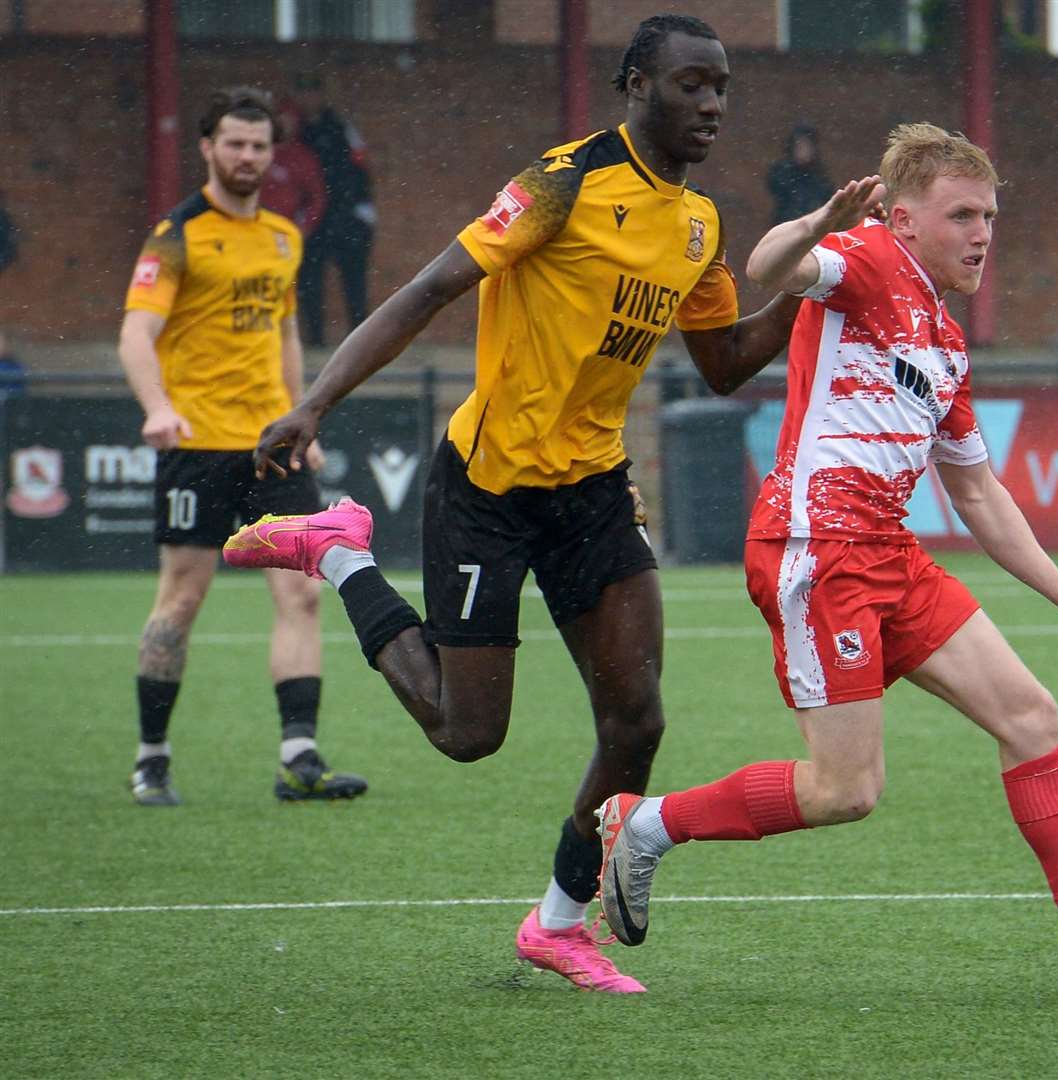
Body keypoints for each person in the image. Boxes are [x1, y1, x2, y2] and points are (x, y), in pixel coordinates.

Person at [222, 15, 802, 994]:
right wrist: (314, 402)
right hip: (487, 487)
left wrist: (821, 282)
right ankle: (340, 552)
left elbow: (723, 361)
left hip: (596, 493)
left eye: (722, 88)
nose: (711, 106)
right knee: (465, 733)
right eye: (692, 85)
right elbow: (427, 290)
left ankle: (558, 924)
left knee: (637, 718)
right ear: (634, 84)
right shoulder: (559, 183)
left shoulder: (700, 223)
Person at [593, 124, 1058, 1004]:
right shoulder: (866, 259)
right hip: (817, 550)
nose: (981, 233)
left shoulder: (946, 341)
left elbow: (976, 493)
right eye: (961, 213)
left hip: (890, 553)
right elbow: (772, 266)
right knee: (845, 792)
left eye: (990, 215)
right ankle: (647, 824)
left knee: (1031, 716)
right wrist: (820, 220)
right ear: (902, 218)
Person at [117, 86, 366, 807]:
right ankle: (152, 759)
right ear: (208, 148)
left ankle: (300, 761)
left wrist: (302, 419)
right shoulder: (177, 234)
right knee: (184, 598)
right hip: (196, 444)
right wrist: (157, 408)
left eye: (259, 146)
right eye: (235, 143)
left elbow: (285, 333)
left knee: (302, 596)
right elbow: (136, 334)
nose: (248, 156)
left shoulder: (285, 237)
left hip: (271, 447)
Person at [290, 73, 375, 346]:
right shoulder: (296, 131)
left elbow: (360, 170)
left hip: (347, 216)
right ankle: (315, 341)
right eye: (302, 93)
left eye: (312, 92)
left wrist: (359, 210)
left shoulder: (339, 128)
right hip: (314, 218)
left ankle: (360, 343)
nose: (307, 99)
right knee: (310, 282)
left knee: (354, 281)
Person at [258, 100, 327, 238]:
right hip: (253, 227)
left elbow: (317, 197)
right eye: (281, 120)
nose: (285, 126)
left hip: (285, 229)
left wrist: (304, 226)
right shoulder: (256, 151)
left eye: (290, 121)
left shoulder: (303, 157)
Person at [767, 121, 835, 225]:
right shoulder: (782, 171)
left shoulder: (819, 176)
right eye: (800, 147)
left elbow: (826, 198)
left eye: (807, 147)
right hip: (786, 225)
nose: (803, 151)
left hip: (812, 226)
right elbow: (776, 188)